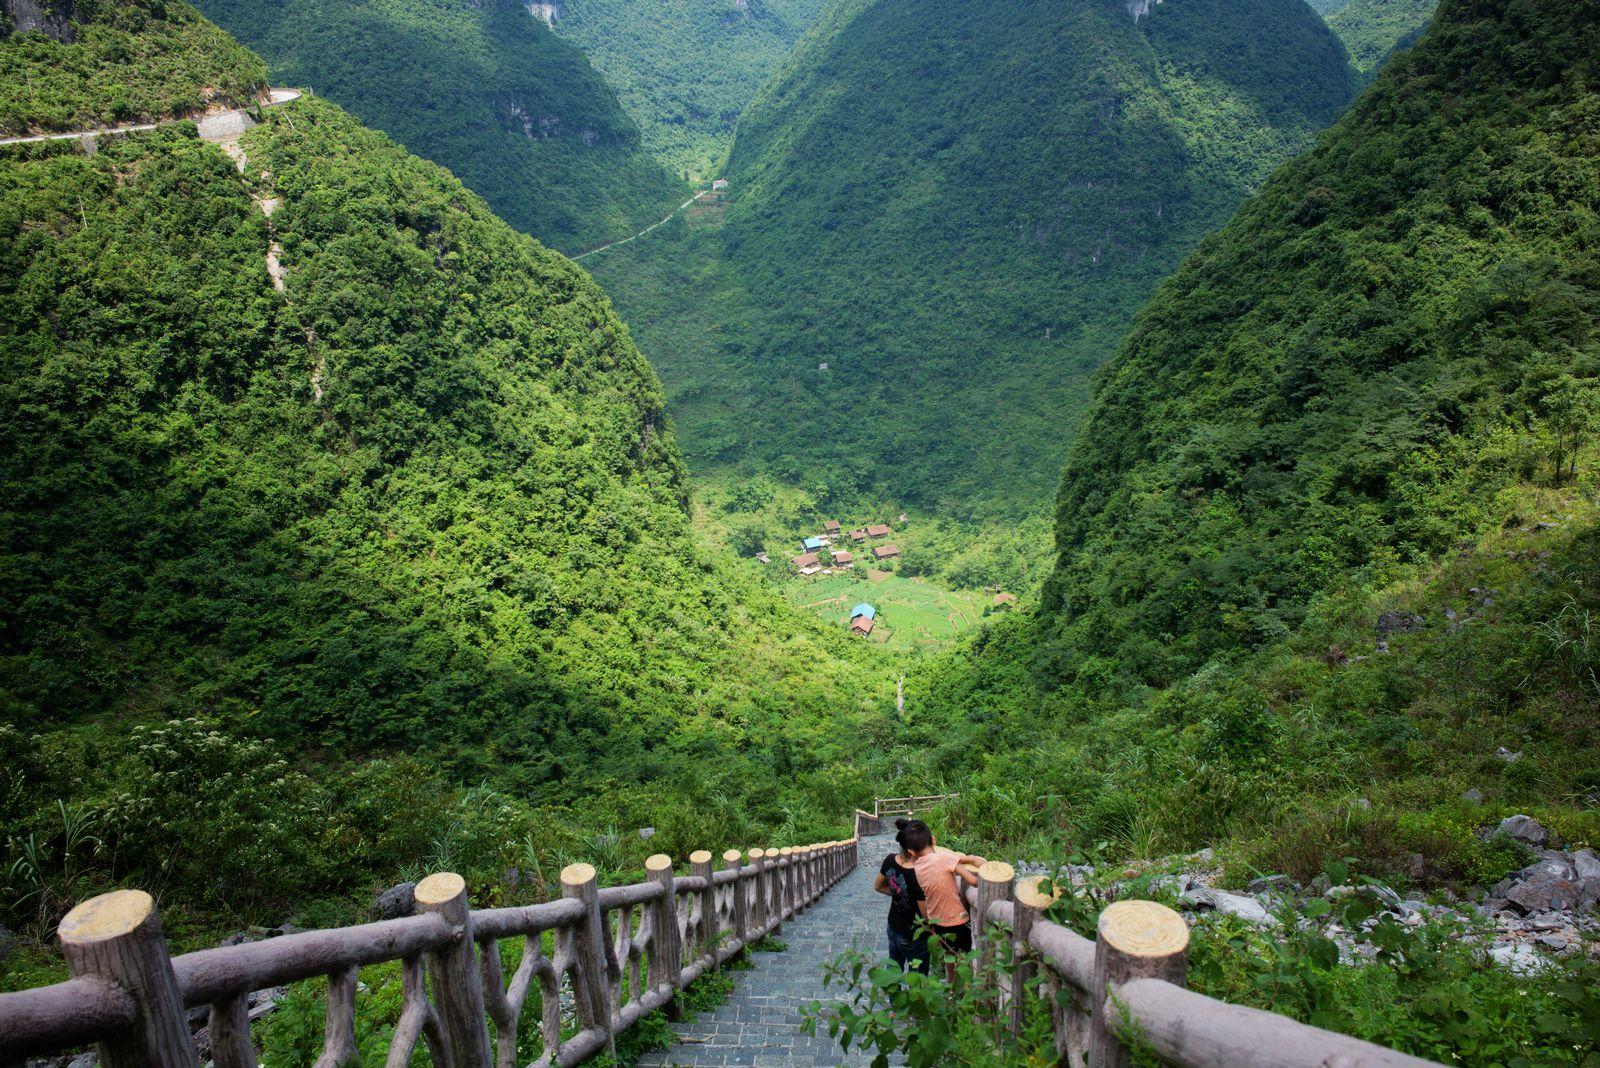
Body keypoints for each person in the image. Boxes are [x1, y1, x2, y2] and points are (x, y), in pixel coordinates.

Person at [907, 826, 985, 978]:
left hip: (937, 921)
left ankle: (952, 990)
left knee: (951, 957)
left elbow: (942, 862)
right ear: (934, 840)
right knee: (972, 955)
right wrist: (976, 861)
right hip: (957, 919)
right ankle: (972, 986)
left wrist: (962, 859)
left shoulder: (917, 866)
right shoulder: (944, 858)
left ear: (911, 851)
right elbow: (973, 881)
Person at [875, 818, 929, 970]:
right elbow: (926, 917)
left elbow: (878, 886)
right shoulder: (918, 874)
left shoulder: (890, 860)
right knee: (917, 981)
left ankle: (893, 994)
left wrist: (900, 894)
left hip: (893, 927)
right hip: (914, 937)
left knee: (893, 972)